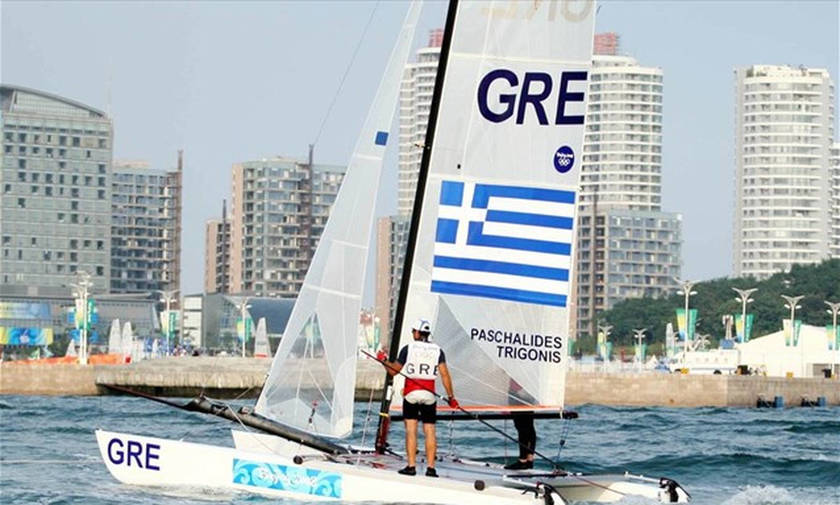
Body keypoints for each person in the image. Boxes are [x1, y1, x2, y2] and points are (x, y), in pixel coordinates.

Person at [383, 318, 457, 478]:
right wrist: (451, 397)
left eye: (413, 331)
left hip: (411, 394)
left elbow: (394, 371)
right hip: (429, 395)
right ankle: (431, 469)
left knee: (411, 431)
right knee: (430, 430)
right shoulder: (438, 350)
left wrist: (383, 361)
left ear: (417, 332)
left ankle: (411, 467)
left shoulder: (408, 348)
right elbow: (445, 375)